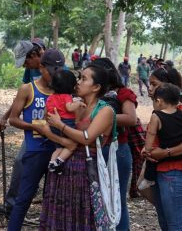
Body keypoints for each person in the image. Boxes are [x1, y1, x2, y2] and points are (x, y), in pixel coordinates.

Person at [38, 64, 114, 230]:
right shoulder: (75, 106)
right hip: (63, 168)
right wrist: (53, 131)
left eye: (84, 79)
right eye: (79, 78)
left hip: (85, 173)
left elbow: (86, 139)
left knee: (80, 218)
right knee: (61, 217)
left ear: (96, 87)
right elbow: (64, 139)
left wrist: (59, 126)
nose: (78, 82)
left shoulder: (105, 111)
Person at [7, 49, 65, 231]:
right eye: (52, 70)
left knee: (54, 200)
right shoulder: (28, 89)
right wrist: (35, 127)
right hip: (35, 151)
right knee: (24, 199)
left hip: (59, 152)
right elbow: (14, 119)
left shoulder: (62, 90)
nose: (56, 75)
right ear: (41, 68)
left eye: (59, 70)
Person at [0, 40, 45, 217]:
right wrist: (6, 116)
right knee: (22, 162)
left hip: (54, 128)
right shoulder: (30, 70)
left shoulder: (57, 67)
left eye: (26, 62)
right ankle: (11, 207)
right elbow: (21, 96)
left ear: (35, 55)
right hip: (34, 128)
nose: (25, 66)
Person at [92, 58, 137, 231]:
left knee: (117, 199)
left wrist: (101, 118)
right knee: (98, 198)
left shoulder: (123, 93)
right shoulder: (93, 93)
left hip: (117, 151)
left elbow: (131, 118)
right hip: (94, 149)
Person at [141, 66, 182, 230]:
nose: (150, 88)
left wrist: (164, 153)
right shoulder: (159, 112)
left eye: (154, 84)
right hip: (161, 170)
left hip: (173, 170)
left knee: (174, 223)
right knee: (166, 220)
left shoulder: (178, 111)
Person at [142, 83, 182, 187]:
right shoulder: (180, 113)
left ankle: (149, 179)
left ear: (158, 101)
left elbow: (151, 133)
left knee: (151, 160)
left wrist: (147, 149)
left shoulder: (156, 116)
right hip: (178, 155)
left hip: (164, 157)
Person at [46, 69, 85, 174]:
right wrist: (78, 103)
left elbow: (48, 111)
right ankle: (58, 162)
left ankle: (51, 163)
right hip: (66, 123)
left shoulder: (50, 97)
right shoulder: (67, 96)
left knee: (58, 148)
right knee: (71, 146)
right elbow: (69, 108)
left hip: (53, 125)